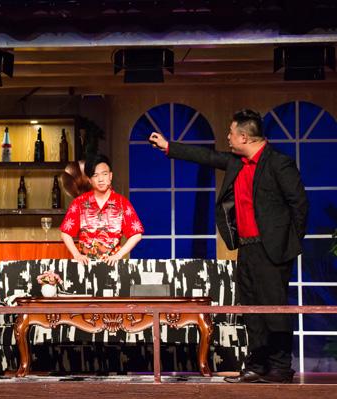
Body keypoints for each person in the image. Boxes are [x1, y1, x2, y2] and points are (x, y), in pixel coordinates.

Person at [149, 109, 308, 384]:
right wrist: (168, 146)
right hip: (246, 248)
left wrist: (288, 244)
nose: (228, 137)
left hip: (273, 250)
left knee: (274, 309)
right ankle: (257, 364)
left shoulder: (278, 163)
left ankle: (281, 367)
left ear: (244, 137)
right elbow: (207, 156)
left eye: (231, 133)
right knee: (251, 310)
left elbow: (300, 205)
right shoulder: (237, 162)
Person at [60, 154, 144, 266]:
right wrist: (77, 255)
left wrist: (118, 255)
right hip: (85, 266)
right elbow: (65, 233)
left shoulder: (122, 203)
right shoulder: (79, 203)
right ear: (89, 180)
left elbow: (136, 234)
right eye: (95, 175)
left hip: (112, 266)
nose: (100, 179)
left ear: (110, 176)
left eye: (104, 174)